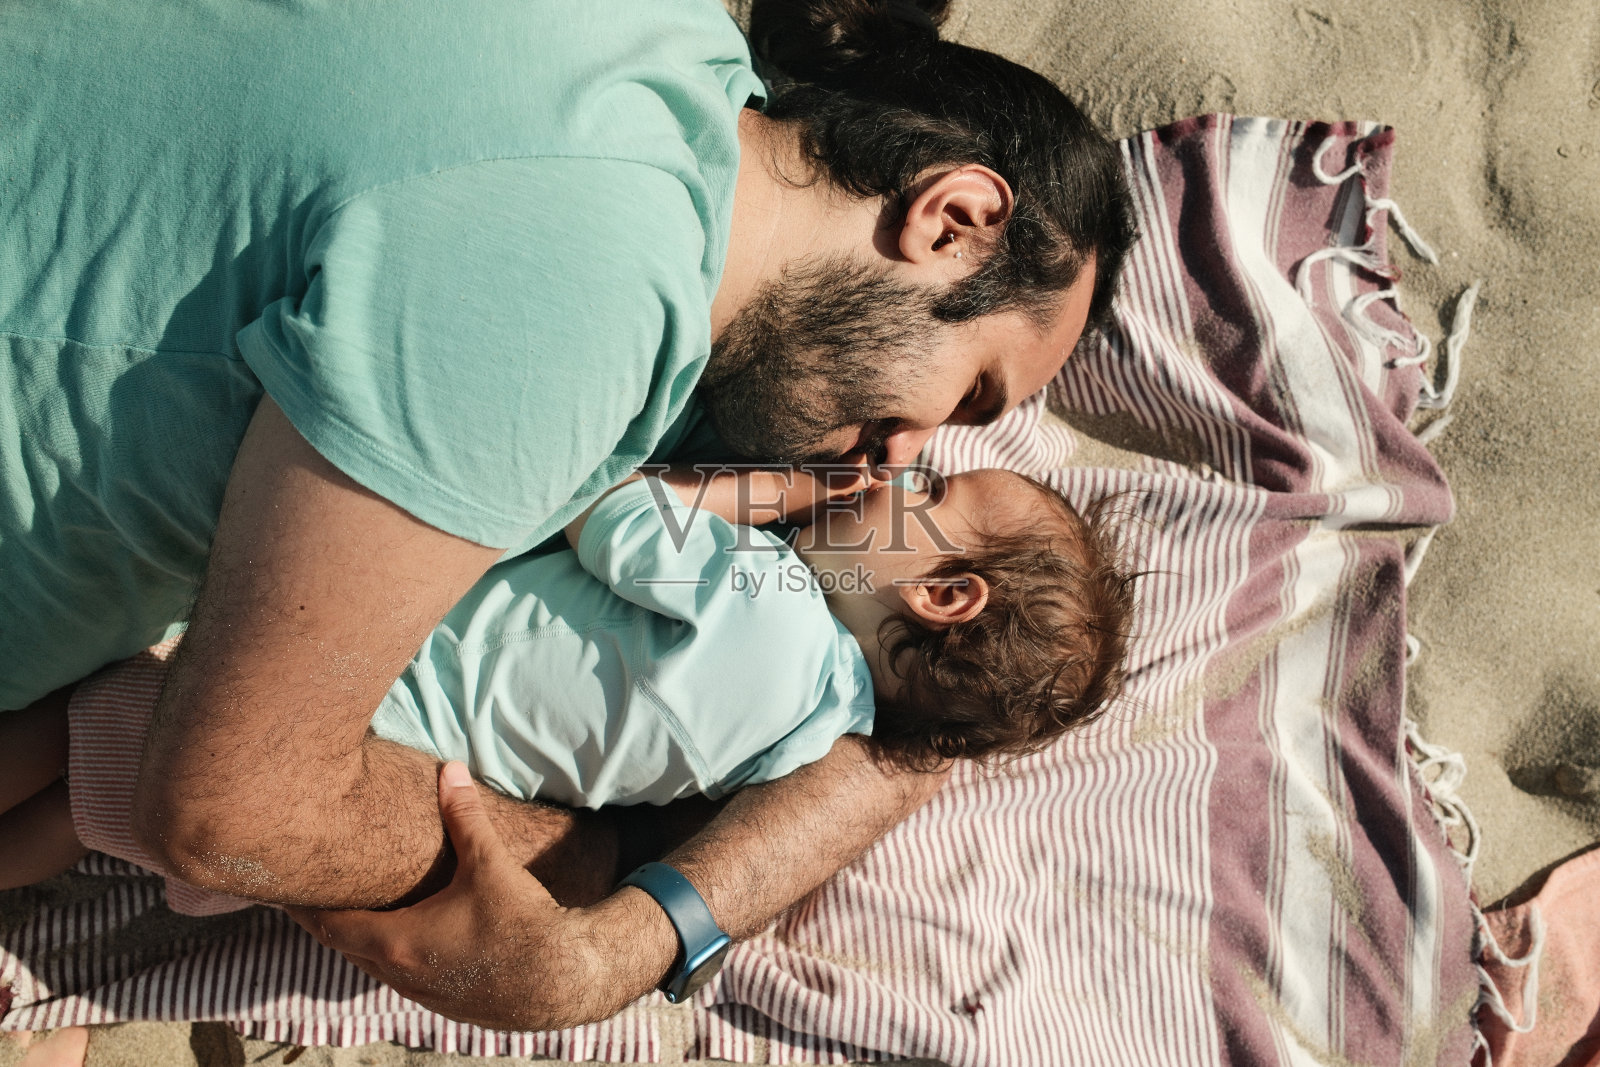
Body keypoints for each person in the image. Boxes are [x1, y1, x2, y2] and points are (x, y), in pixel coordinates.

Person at [0, 0, 1135, 1028]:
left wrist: (647, 931)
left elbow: (901, 745)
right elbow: (227, 809)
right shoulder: (576, 296)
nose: (904, 457)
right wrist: (586, 864)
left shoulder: (658, 52)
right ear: (951, 220)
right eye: (968, 394)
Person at [0, 465, 1133, 908]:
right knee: (79, 812)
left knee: (59, 728)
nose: (890, 474)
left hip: (336, 687)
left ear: (941, 596)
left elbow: (615, 518)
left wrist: (749, 492)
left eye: (926, 488)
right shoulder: (804, 742)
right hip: (380, 779)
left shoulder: (770, 598)